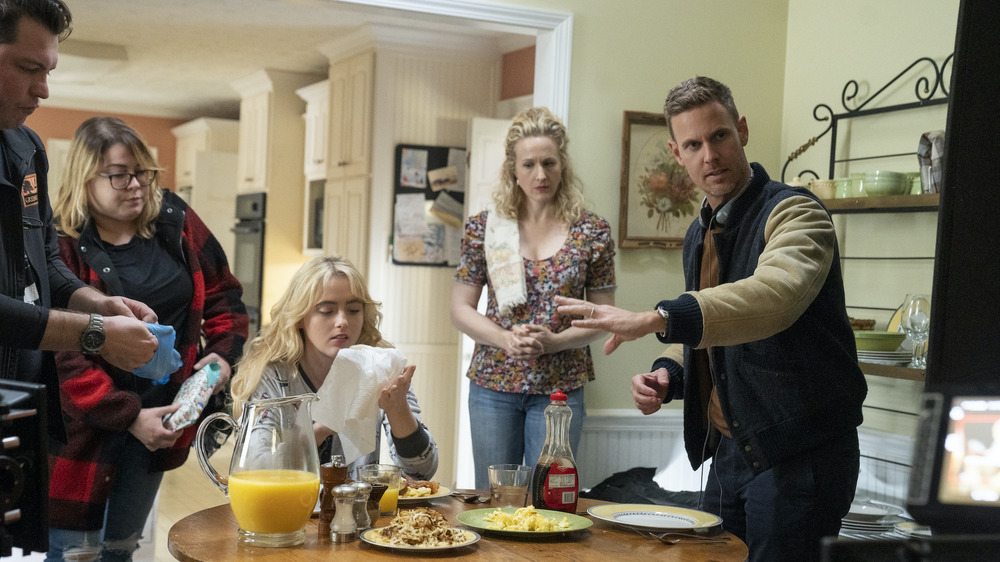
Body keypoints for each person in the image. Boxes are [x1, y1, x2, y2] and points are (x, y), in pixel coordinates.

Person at [556, 76, 867, 561]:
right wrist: (668, 374)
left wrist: (658, 316)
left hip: (799, 455)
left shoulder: (797, 214)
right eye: (694, 144)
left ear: (742, 130)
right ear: (676, 154)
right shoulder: (700, 232)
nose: (710, 155)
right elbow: (716, 331)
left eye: (719, 135)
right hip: (729, 452)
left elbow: (772, 298)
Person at [47, 116, 248, 561]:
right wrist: (130, 415)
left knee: (121, 550)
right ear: (85, 178)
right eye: (119, 175)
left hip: (163, 423)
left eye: (143, 172)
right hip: (82, 432)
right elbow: (60, 353)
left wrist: (220, 360)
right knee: (73, 553)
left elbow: (225, 298)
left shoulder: (175, 221)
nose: (136, 185)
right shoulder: (59, 243)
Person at [0, 0, 173, 441]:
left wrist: (98, 303)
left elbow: (45, 263)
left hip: (22, 399)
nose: (43, 90)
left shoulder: (26, 149)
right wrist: (95, 333)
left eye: (49, 71)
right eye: (27, 67)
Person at [450, 106, 616, 489]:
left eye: (549, 163)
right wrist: (505, 339)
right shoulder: (486, 228)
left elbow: (605, 315)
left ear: (563, 165)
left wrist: (555, 342)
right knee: (495, 500)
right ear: (513, 169)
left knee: (549, 500)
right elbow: (460, 309)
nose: (540, 175)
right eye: (529, 165)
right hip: (494, 384)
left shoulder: (591, 231)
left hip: (560, 389)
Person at [232, 255, 438, 479]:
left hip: (359, 512)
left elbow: (423, 471)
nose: (343, 321)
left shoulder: (381, 369)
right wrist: (321, 428)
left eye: (353, 310)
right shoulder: (273, 377)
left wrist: (398, 410)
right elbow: (255, 471)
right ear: (300, 317)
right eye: (327, 311)